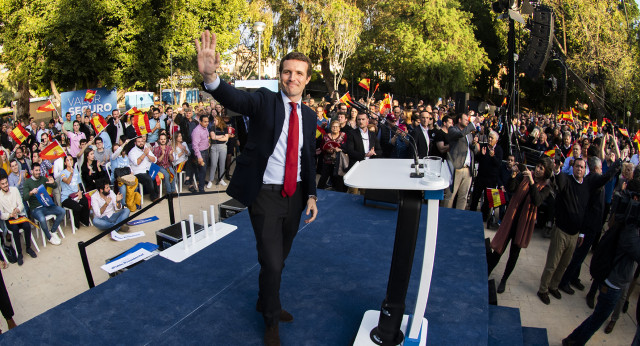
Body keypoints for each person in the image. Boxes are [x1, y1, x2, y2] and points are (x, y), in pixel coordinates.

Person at [197, 30, 318, 346]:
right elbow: (235, 98)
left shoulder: (308, 115)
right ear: (281, 75)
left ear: (307, 80)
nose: (292, 78)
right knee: (272, 262)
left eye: (299, 74)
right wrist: (212, 78)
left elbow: (307, 158)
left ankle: (266, 300)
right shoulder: (265, 100)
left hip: (295, 195)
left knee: (281, 258)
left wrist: (313, 195)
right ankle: (271, 317)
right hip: (264, 195)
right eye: (287, 72)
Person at [537, 157, 621, 305]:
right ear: (573, 167)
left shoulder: (587, 185)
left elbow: (605, 178)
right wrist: (557, 170)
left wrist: (617, 163)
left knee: (564, 264)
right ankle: (543, 289)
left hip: (575, 234)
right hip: (561, 231)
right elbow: (558, 180)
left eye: (582, 167)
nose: (579, 169)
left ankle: (554, 286)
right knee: (552, 263)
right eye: (577, 166)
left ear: (585, 170)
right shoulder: (566, 180)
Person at [487, 157, 553, 293]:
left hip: (523, 224)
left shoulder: (545, 187)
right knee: (498, 249)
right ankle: (486, 272)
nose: (538, 169)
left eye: (541, 168)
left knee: (514, 254)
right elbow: (511, 188)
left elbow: (537, 200)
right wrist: (514, 174)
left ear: (546, 172)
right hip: (511, 219)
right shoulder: (524, 176)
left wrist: (532, 182)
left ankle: (504, 279)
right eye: (538, 166)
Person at [0, 171, 36, 266]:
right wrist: (9, 215)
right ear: (0, 185)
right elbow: (1, 214)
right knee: (15, 229)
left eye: (6, 183)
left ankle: (28, 248)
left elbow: (21, 204)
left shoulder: (14, 190)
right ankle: (19, 253)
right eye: (3, 184)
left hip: (19, 215)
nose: (5, 185)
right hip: (10, 218)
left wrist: (18, 209)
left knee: (27, 225)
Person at [22, 163, 64, 245]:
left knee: (62, 211)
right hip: (35, 209)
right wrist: (31, 192)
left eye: (39, 170)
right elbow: (25, 197)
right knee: (42, 219)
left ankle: (53, 231)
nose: (38, 172)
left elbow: (54, 186)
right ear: (31, 171)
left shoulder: (43, 179)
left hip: (46, 205)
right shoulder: (27, 182)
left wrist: (53, 183)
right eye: (36, 170)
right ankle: (49, 237)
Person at [469, 131, 503, 220]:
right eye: (489, 137)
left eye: (492, 138)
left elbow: (498, 164)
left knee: (488, 200)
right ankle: (472, 214)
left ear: (496, 140)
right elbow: (477, 159)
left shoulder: (499, 149)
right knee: (476, 196)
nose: (490, 139)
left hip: (491, 179)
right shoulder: (484, 146)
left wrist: (493, 156)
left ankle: (484, 217)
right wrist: (481, 154)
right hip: (481, 176)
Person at [59, 155, 91, 229]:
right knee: (76, 207)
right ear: (65, 163)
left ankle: (84, 221)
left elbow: (77, 184)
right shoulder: (63, 173)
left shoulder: (76, 171)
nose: (70, 161)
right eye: (68, 160)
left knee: (85, 201)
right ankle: (76, 225)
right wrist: (71, 174)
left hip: (76, 194)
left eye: (71, 160)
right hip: (66, 197)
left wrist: (79, 192)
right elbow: (67, 181)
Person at [317, 120, 347, 191]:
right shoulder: (326, 136)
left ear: (339, 128)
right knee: (323, 179)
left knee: (338, 181)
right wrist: (326, 150)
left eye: (337, 127)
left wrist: (340, 149)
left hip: (338, 162)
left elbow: (346, 147)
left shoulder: (343, 135)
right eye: (333, 126)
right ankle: (317, 194)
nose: (335, 128)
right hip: (327, 161)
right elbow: (322, 147)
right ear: (330, 127)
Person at [128, 136, 159, 201]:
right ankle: (153, 197)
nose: (141, 143)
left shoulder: (146, 149)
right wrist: (144, 154)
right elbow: (137, 162)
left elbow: (154, 160)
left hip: (148, 170)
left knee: (154, 176)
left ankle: (156, 194)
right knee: (148, 178)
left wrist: (147, 154)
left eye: (142, 141)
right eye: (139, 142)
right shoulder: (132, 152)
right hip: (138, 172)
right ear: (135, 143)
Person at [190, 115, 211, 193]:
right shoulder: (197, 131)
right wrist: (199, 156)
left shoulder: (205, 128)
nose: (207, 123)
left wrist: (208, 143)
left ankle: (201, 183)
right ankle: (201, 188)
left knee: (204, 170)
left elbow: (206, 137)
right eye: (205, 122)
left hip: (205, 150)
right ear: (200, 122)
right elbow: (195, 145)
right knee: (202, 170)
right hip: (200, 152)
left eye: (208, 121)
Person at [208, 115, 229, 187]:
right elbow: (213, 137)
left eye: (215, 120)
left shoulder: (225, 128)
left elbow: (226, 139)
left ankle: (221, 179)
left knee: (222, 163)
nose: (214, 122)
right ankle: (211, 180)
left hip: (222, 146)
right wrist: (221, 136)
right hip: (214, 146)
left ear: (219, 120)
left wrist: (218, 138)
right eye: (213, 120)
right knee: (213, 164)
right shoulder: (212, 127)